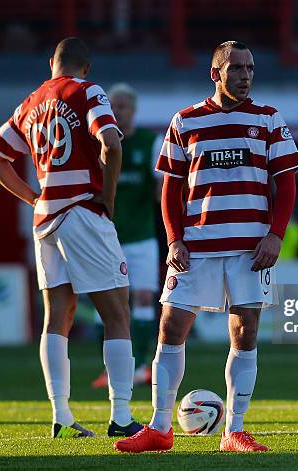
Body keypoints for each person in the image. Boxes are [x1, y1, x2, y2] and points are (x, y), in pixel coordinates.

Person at [115, 40, 298, 453]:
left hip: (251, 248)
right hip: (196, 245)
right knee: (171, 326)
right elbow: (170, 188)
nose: (245, 75)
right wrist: (174, 238)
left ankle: (233, 430)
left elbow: (287, 183)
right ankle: (160, 428)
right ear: (215, 73)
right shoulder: (185, 121)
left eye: (250, 68)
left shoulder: (269, 119)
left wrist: (276, 235)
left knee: (245, 331)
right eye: (236, 68)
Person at [0, 37, 142, 439]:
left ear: (51, 62)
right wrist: (108, 196)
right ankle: (121, 416)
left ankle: (62, 416)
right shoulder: (88, 92)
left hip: (45, 218)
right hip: (83, 212)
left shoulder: (30, 102)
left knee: (57, 317)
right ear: (86, 67)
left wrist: (34, 196)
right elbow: (111, 142)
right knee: (117, 313)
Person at [92, 83, 162, 389]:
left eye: (122, 106)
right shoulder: (98, 143)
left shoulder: (150, 142)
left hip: (143, 237)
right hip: (106, 237)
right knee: (106, 302)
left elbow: (162, 190)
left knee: (144, 299)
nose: (117, 111)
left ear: (132, 110)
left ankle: (144, 366)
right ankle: (109, 370)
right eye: (113, 106)